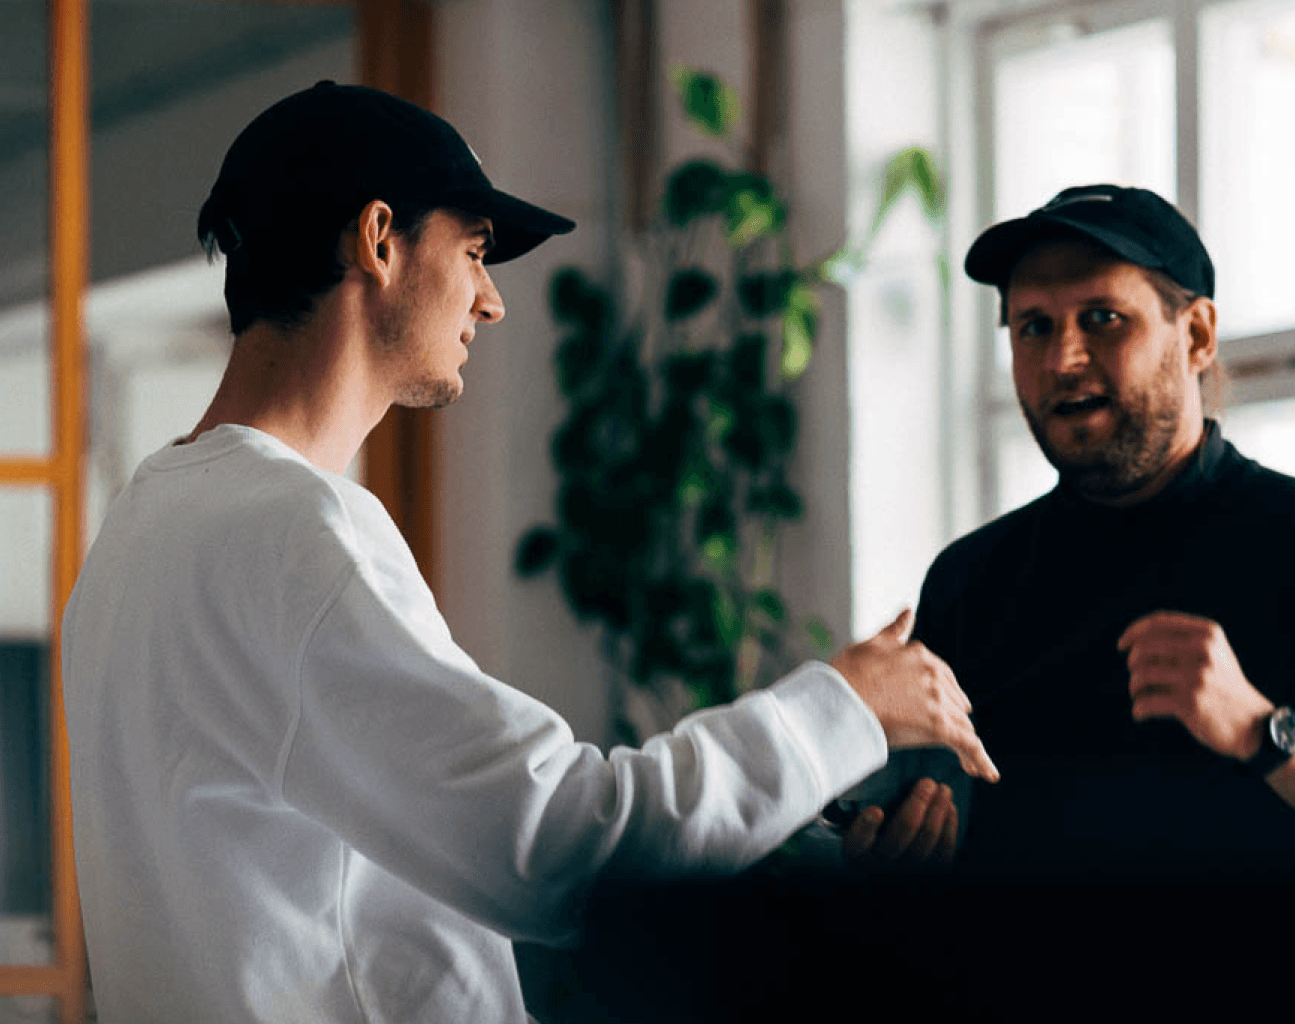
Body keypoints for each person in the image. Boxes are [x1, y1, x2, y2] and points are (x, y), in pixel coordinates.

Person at [60, 81, 994, 1024]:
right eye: (473, 251)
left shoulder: (138, 530)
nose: (493, 300)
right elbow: (564, 855)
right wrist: (843, 707)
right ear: (378, 240)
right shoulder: (297, 532)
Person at [913, 183, 1295, 875]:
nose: (1062, 359)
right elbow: (935, 831)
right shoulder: (969, 583)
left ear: (1196, 335)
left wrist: (1262, 733)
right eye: (1034, 327)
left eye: (1103, 318)